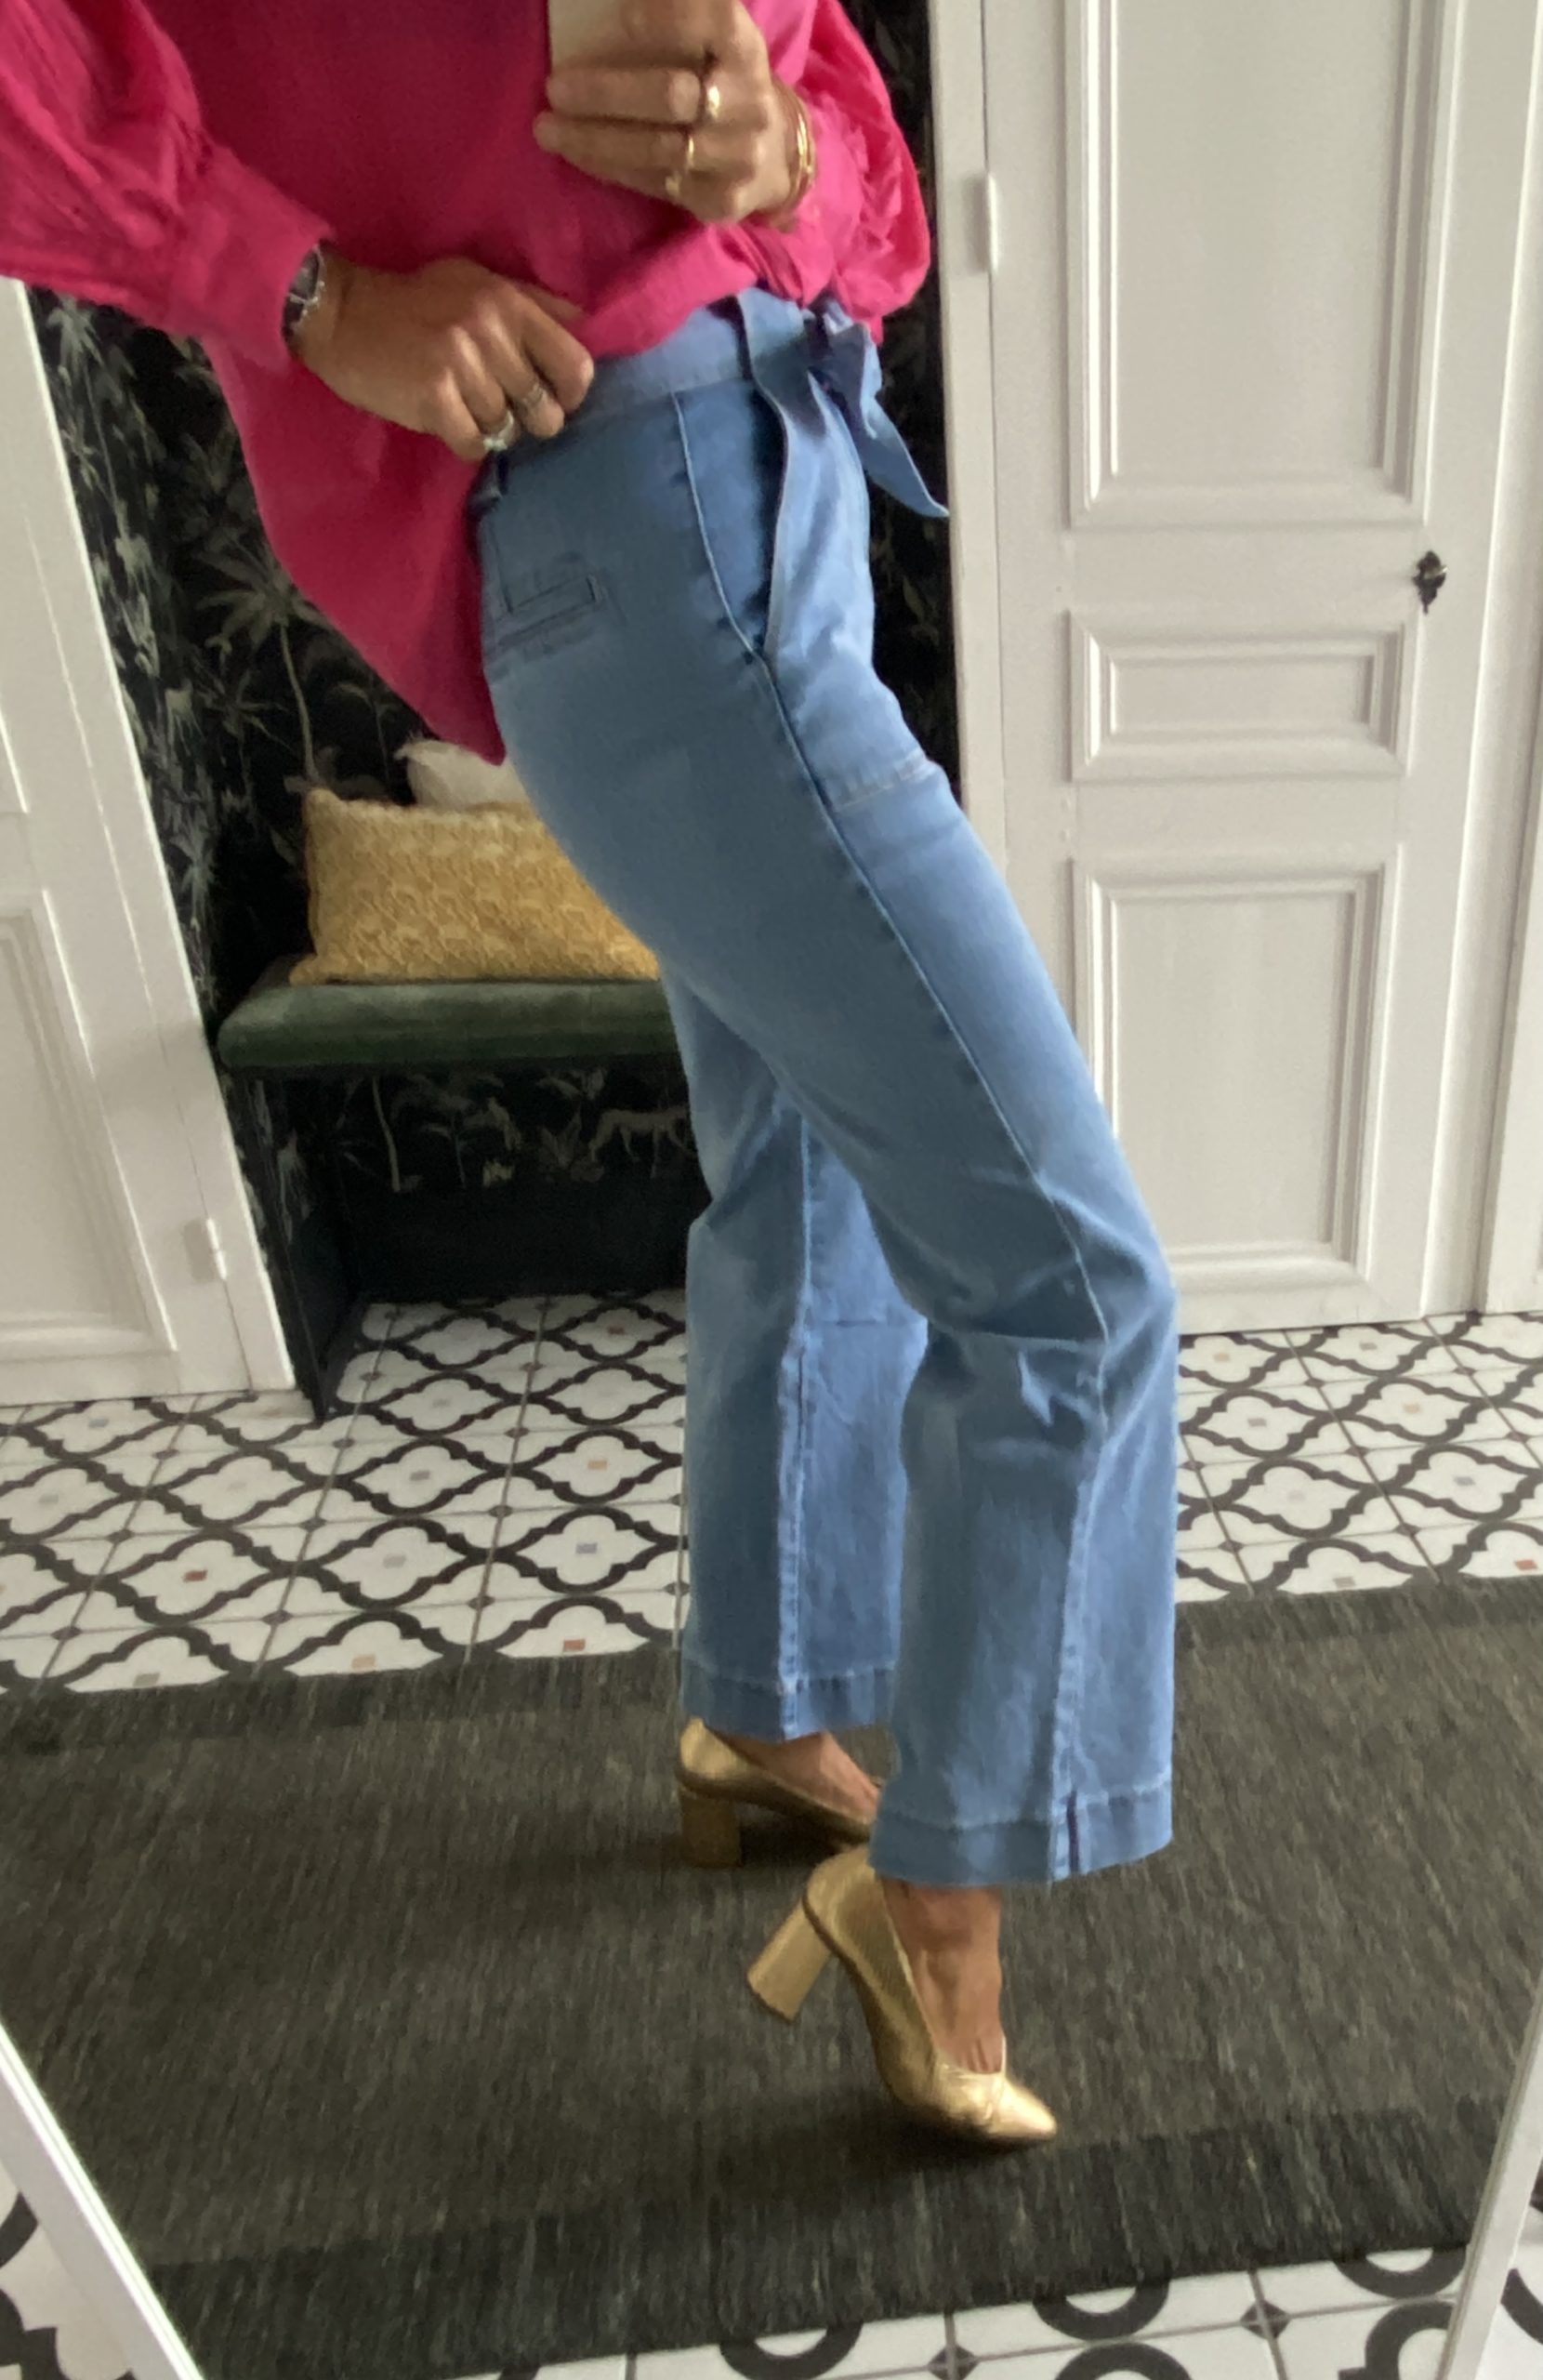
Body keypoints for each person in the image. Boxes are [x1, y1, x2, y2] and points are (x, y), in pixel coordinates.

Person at [0, 0, 1179, 2148]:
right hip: (628, 501)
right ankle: (936, 1886)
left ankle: (762, 1716)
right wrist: (301, 292)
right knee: (1068, 1280)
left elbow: (850, 176)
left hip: (772, 469)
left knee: (805, 1156)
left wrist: (783, 157)